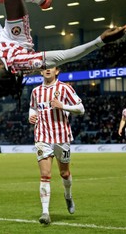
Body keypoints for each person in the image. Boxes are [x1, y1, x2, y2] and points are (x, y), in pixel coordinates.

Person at [28, 67, 84, 225]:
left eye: (50, 68)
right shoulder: (35, 91)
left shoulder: (65, 88)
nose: (47, 70)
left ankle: (68, 195)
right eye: (44, 68)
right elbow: (33, 108)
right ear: (40, 72)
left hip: (61, 136)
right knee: (45, 175)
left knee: (65, 173)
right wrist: (31, 116)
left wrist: (63, 106)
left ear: (57, 71)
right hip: (42, 136)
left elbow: (81, 108)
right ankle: (45, 212)